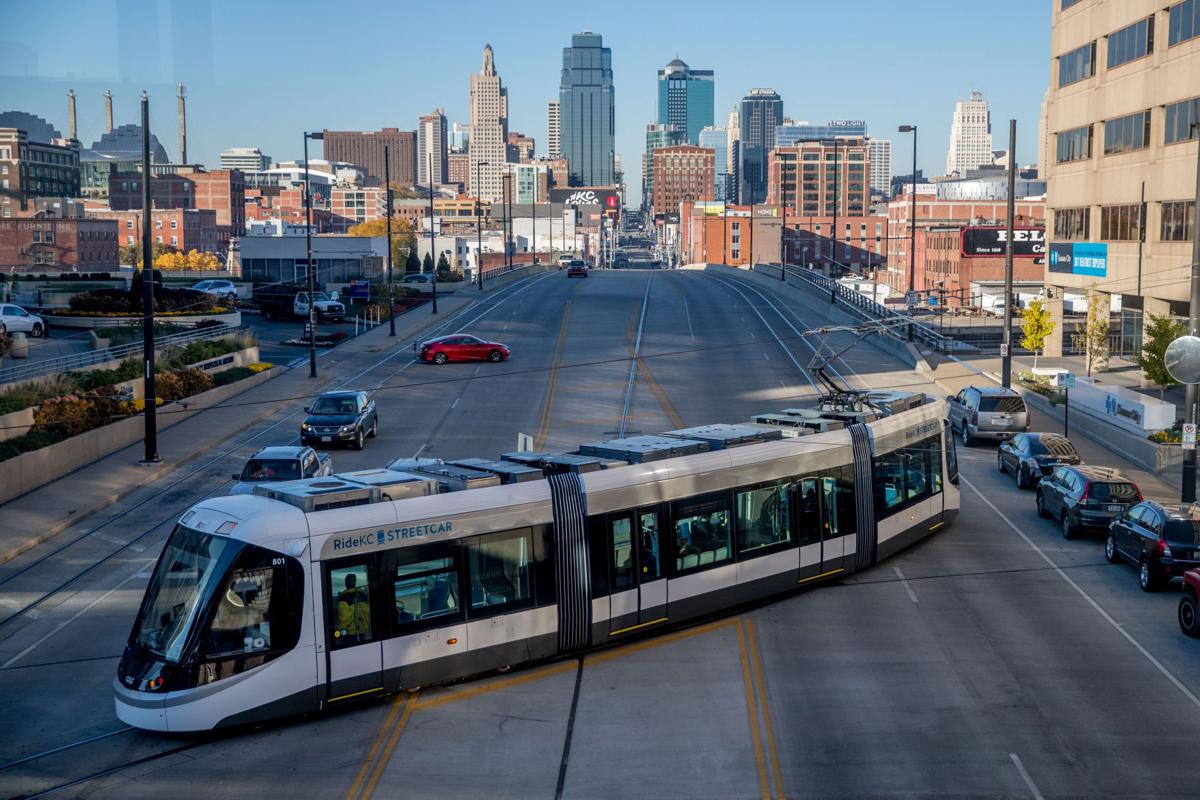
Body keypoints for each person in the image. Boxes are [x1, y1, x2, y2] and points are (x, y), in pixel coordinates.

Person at [336, 573, 370, 644]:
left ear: (346, 583)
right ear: (355, 582)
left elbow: (344, 620)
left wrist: (338, 629)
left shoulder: (344, 598)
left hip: (350, 634)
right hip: (363, 632)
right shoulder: (363, 595)